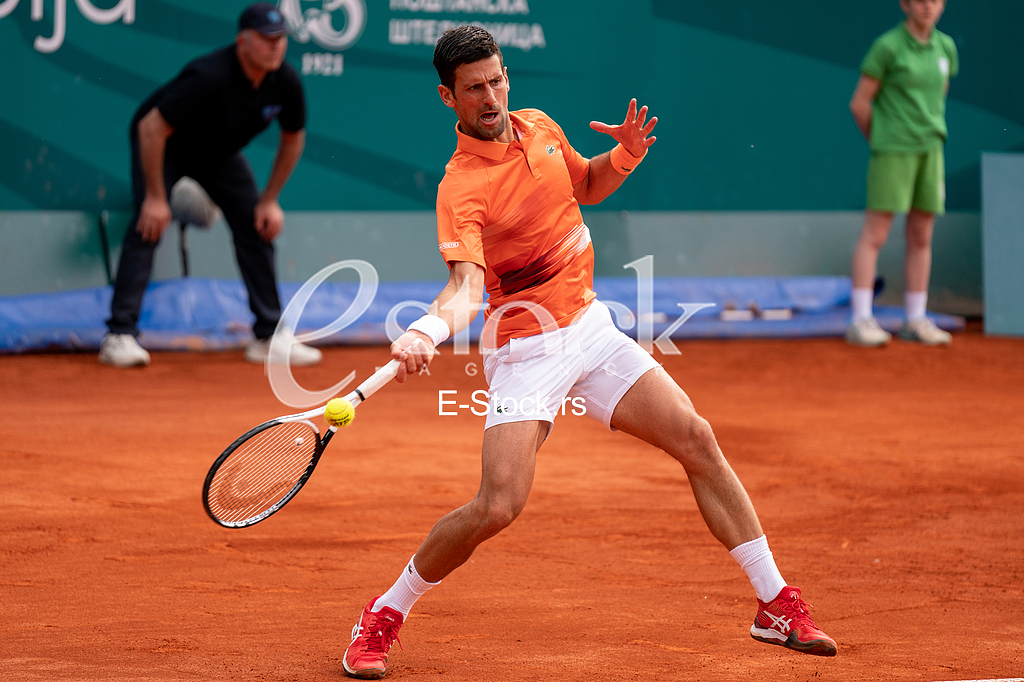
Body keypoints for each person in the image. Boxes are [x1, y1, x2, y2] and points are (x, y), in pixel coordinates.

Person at [341, 26, 837, 679]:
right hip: (525, 349)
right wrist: (426, 332)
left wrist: (625, 157)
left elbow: (587, 186)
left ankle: (775, 603)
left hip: (591, 328)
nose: (489, 96)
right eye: (473, 89)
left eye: (495, 80)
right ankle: (385, 612)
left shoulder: (540, 124)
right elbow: (464, 287)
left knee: (696, 438)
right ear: (448, 97)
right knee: (497, 506)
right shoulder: (460, 187)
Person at [99, 2, 321, 368]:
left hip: (219, 153)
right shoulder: (208, 75)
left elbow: (293, 138)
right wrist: (155, 197)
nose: (275, 46)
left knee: (257, 225)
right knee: (149, 224)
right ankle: (119, 334)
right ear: (242, 42)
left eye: (280, 39)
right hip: (167, 145)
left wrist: (270, 200)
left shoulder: (286, 80)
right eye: (266, 39)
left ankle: (268, 336)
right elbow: (150, 127)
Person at [846, 0, 957, 347]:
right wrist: (881, 141)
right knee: (876, 233)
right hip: (892, 151)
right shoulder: (887, 46)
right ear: (905, 4)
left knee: (922, 234)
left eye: (935, 0)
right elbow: (860, 103)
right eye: (920, 1)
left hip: (931, 151)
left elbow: (938, 97)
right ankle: (861, 320)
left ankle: (915, 319)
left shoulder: (946, 47)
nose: (928, 7)